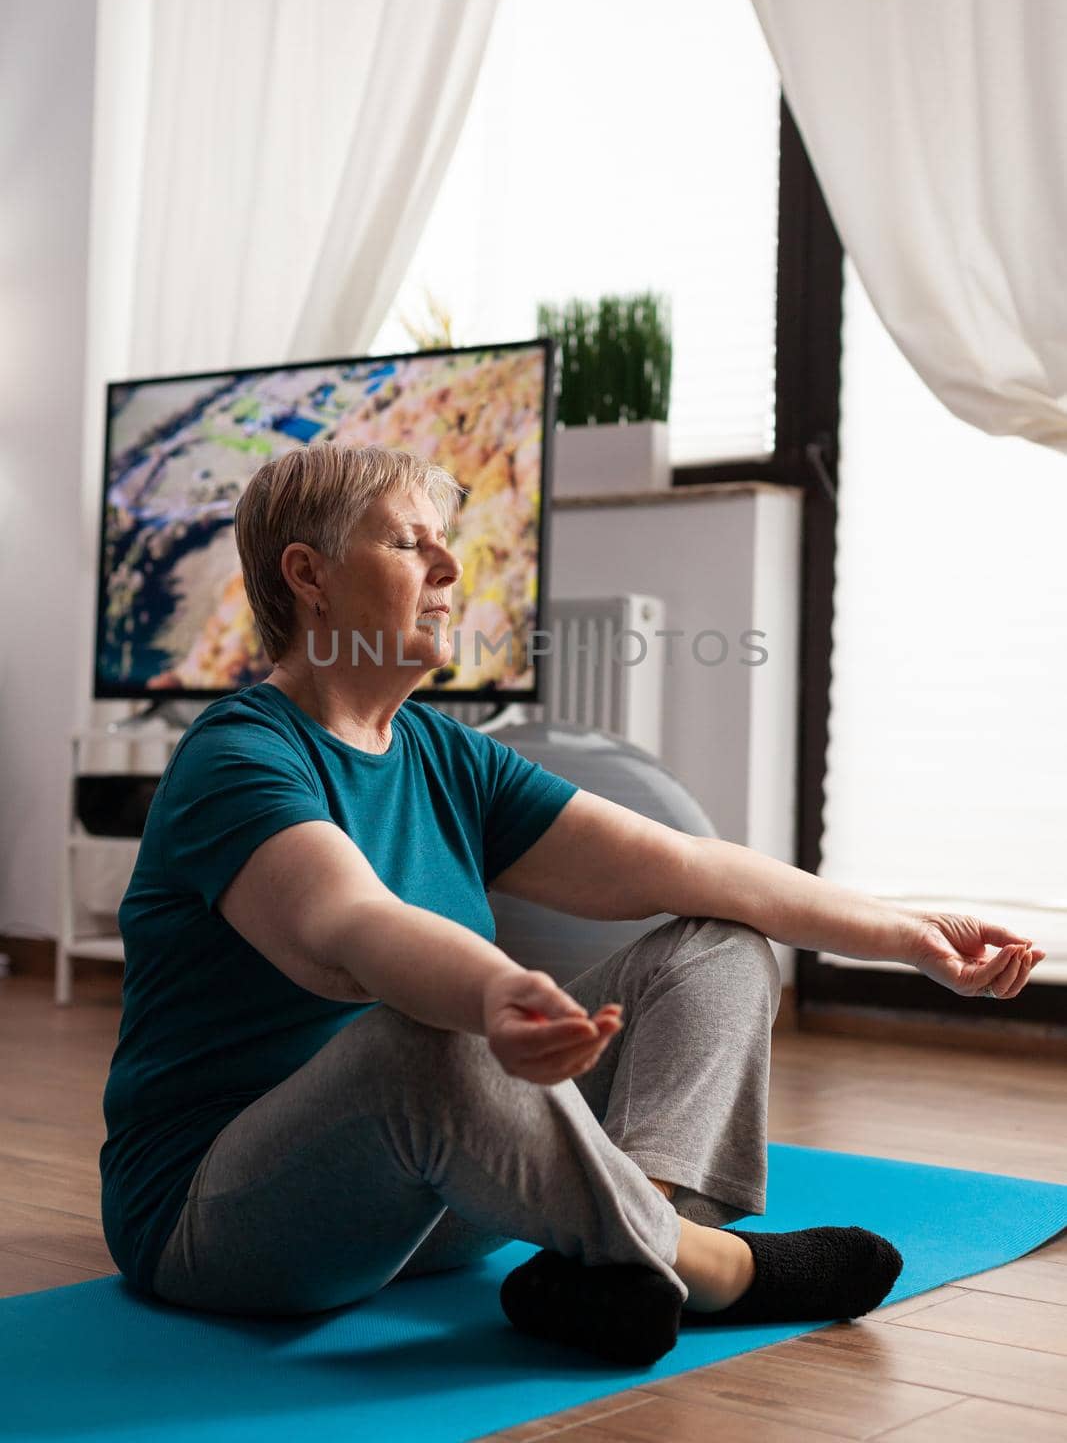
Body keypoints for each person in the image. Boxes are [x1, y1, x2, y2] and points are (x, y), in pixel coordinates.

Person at [99, 443, 1046, 1366]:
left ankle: (625, 1253)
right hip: (228, 1221)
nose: (446, 566)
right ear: (308, 575)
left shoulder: (442, 753)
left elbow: (682, 866)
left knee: (717, 944)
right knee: (421, 1036)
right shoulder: (239, 758)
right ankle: (710, 1268)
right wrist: (496, 995)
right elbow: (349, 928)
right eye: (406, 544)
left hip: (428, 1204)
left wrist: (909, 933)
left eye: (443, 542)